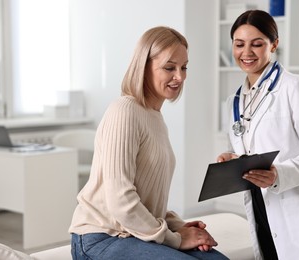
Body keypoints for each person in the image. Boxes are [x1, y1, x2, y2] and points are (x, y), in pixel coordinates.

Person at [69, 26, 228, 260]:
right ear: (143, 67)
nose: (180, 76)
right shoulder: (124, 111)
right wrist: (175, 238)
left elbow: (145, 198)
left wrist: (178, 225)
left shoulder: (154, 117)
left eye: (184, 67)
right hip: (100, 238)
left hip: (135, 233)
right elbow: (120, 199)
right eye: (169, 67)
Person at [217, 10, 299, 260]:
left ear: (274, 44)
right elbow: (252, 149)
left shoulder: (295, 87)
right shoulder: (234, 100)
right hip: (261, 206)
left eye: (257, 44)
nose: (247, 52)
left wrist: (279, 174)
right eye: (239, 44)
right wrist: (233, 158)